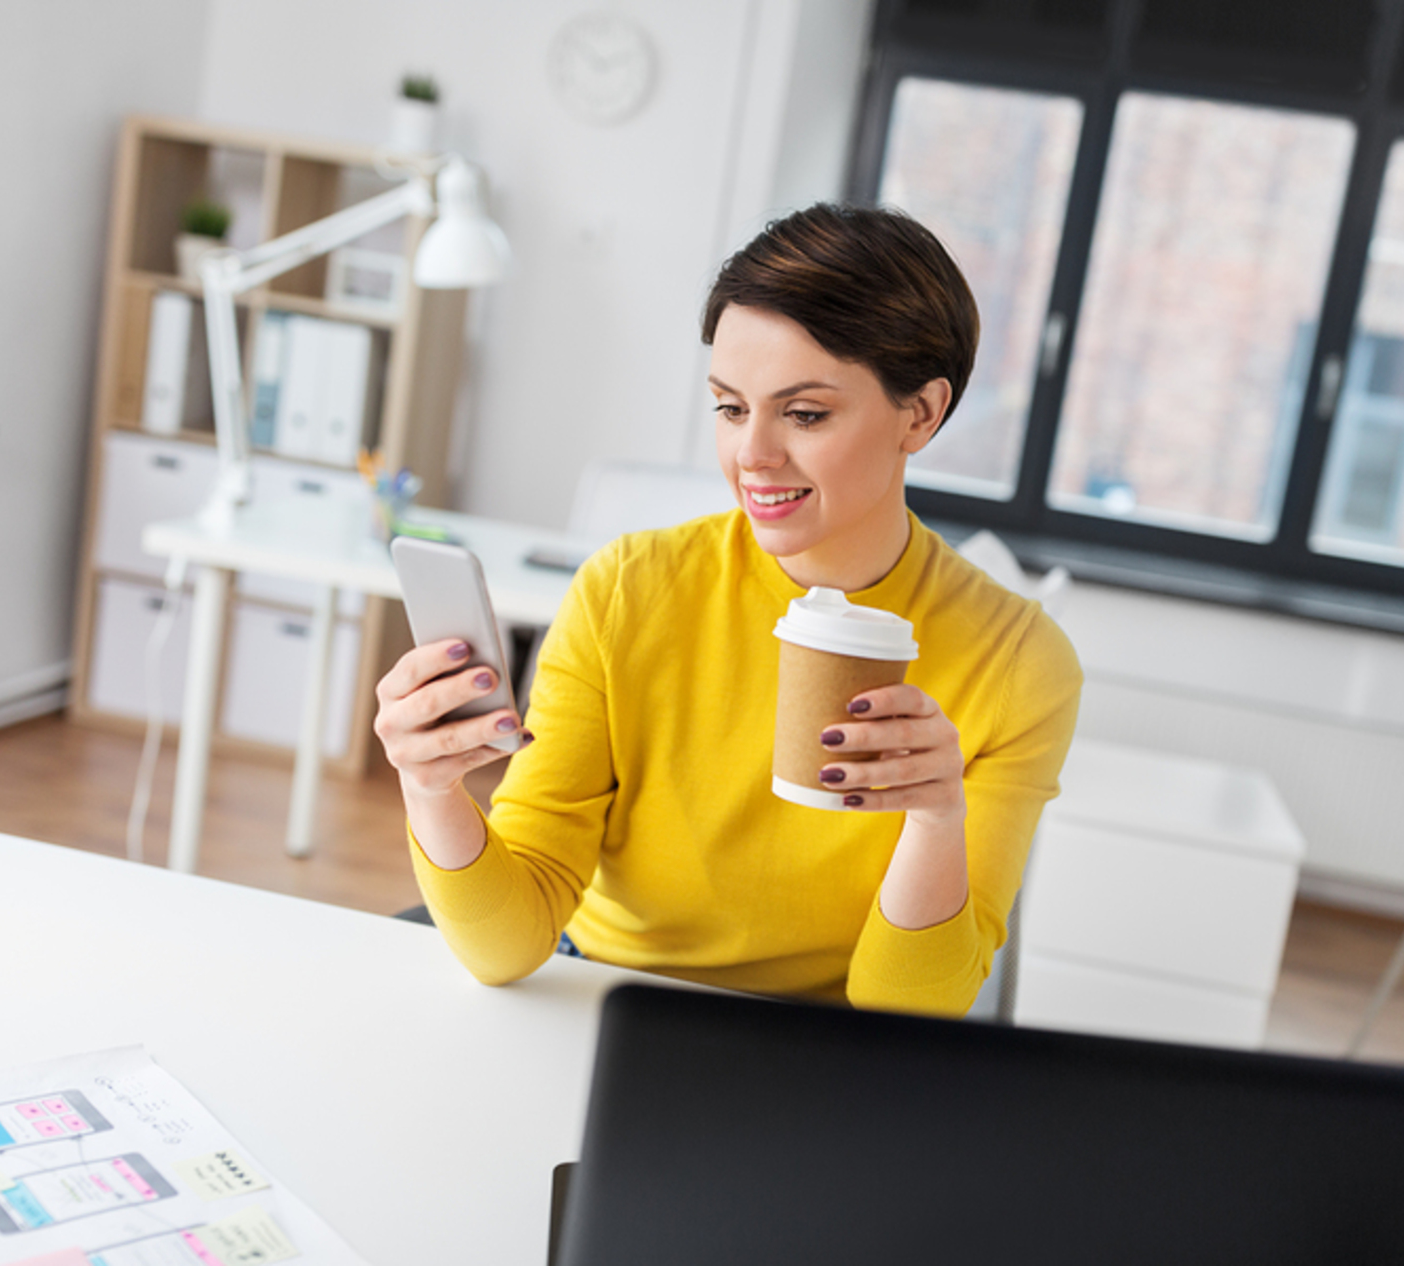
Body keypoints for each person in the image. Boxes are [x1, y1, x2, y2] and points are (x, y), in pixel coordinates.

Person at [374, 203, 1081, 1016]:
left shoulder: (1018, 661)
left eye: (806, 414)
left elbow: (907, 1014)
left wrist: (934, 817)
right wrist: (429, 790)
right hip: (607, 997)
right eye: (730, 407)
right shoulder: (627, 591)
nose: (753, 455)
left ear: (919, 414)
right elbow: (507, 946)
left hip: (814, 1050)